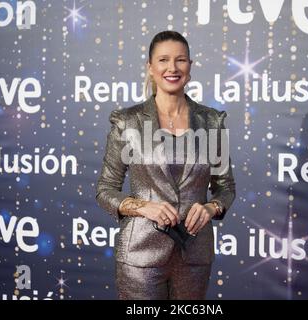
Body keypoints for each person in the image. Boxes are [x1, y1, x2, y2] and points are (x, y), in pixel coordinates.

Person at [96, 30, 236, 299]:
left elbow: (226, 187)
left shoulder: (212, 122)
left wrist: (211, 207)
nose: (172, 68)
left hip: (194, 256)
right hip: (140, 254)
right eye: (163, 60)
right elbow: (105, 190)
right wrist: (143, 207)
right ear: (150, 67)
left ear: (190, 67)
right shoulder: (128, 122)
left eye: (180, 60)